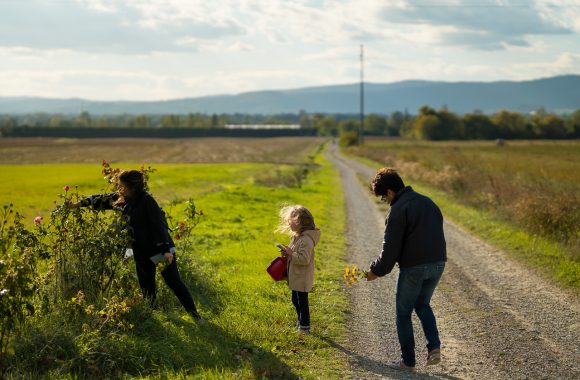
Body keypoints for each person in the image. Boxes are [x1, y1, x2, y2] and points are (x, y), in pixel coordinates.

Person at [66, 170, 203, 322]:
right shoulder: (122, 199)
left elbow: (158, 225)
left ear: (132, 187)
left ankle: (196, 317)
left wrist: (165, 250)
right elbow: (99, 200)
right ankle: (153, 319)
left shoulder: (147, 201)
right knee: (146, 287)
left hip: (160, 251)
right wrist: (76, 205)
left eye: (121, 185)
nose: (118, 188)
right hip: (141, 251)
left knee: (173, 282)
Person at [365, 168, 446, 371]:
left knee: (403, 313)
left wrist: (376, 270)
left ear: (390, 192)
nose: (386, 201)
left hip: (414, 268)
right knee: (422, 304)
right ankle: (434, 347)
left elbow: (390, 249)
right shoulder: (428, 201)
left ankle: (408, 362)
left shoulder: (398, 210)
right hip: (438, 263)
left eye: (384, 197)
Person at [276, 205, 321, 335]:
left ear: (300, 223)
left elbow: (304, 259)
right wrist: (287, 253)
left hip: (302, 277)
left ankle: (305, 326)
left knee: (302, 302)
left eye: (291, 221)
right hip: (296, 275)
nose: (289, 223)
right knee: (295, 300)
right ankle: (300, 321)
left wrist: (291, 254)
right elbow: (295, 254)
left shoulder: (306, 240)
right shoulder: (296, 237)